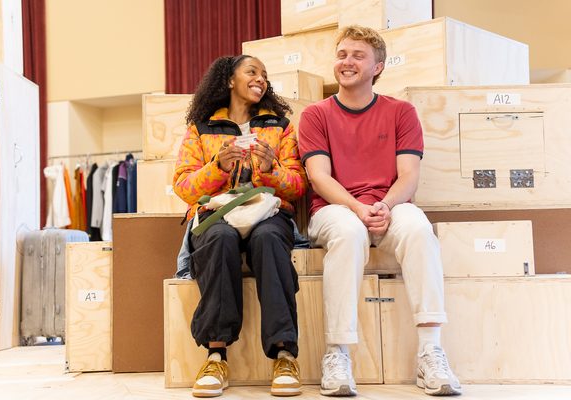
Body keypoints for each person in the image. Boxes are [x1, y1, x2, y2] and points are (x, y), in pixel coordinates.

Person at [297, 25, 462, 397]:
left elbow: (409, 177)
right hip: (335, 208)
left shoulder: (401, 112)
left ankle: (430, 351)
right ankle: (337, 354)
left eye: (358, 55)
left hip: (390, 205)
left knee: (419, 229)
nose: (347, 62)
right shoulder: (315, 115)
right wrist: (357, 207)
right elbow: (319, 177)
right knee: (349, 231)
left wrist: (384, 205)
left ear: (378, 67)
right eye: (342, 54)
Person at [173, 54, 308, 398]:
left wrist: (270, 168)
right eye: (252, 72)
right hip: (218, 215)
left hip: (268, 213)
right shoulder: (201, 128)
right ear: (229, 80)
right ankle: (216, 354)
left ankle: (284, 354)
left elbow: (297, 186)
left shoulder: (280, 126)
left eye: (265, 75)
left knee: (268, 239)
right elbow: (184, 187)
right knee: (218, 237)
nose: (260, 79)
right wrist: (217, 166)